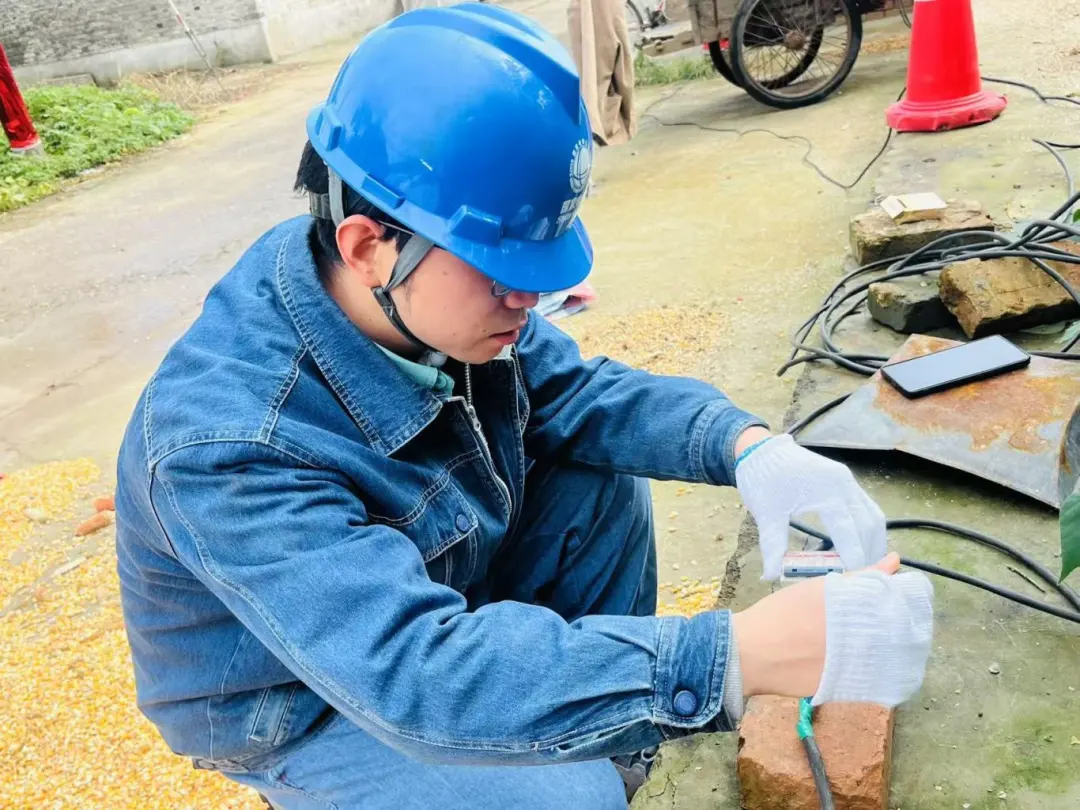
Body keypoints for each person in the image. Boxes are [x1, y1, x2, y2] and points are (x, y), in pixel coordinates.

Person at [114, 5, 934, 808]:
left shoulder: (409, 290)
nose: (531, 299)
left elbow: (579, 394)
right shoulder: (228, 445)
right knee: (567, 795)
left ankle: (589, 746)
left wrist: (746, 446)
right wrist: (738, 656)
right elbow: (414, 671)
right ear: (369, 247)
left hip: (431, 582)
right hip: (303, 698)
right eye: (503, 273)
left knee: (597, 476)